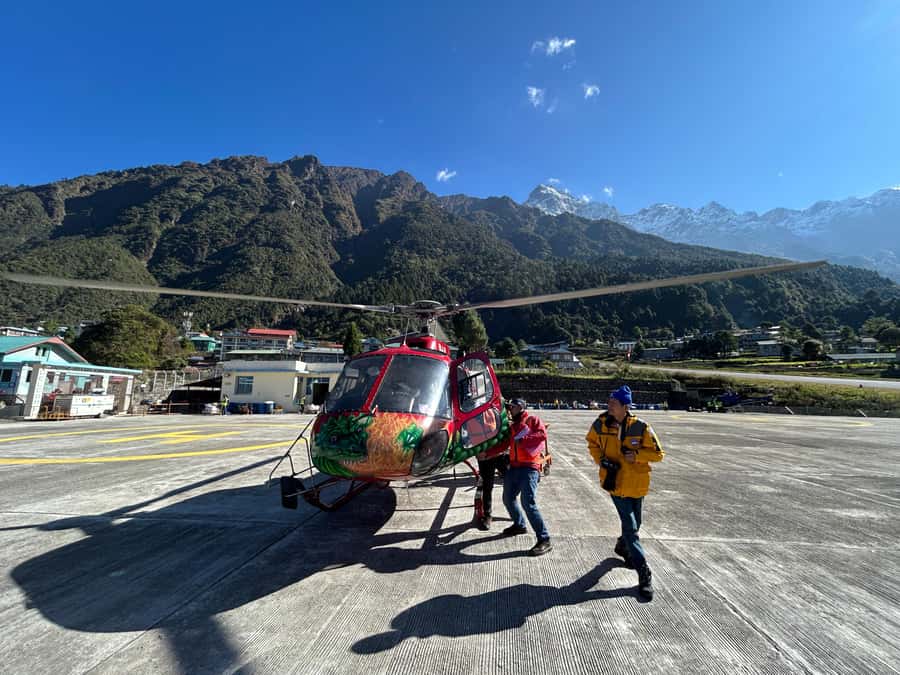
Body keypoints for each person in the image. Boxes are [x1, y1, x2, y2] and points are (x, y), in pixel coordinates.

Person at [586, 385, 665, 600]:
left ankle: (623, 546)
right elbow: (591, 442)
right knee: (631, 528)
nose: (609, 405)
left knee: (635, 524)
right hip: (615, 483)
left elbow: (659, 454)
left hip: (637, 484)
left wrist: (637, 455)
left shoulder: (641, 427)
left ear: (625, 406)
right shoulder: (600, 424)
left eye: (614, 403)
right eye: (609, 402)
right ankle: (644, 573)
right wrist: (600, 459)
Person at [502, 398, 552, 556]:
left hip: (529, 467)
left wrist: (523, 439)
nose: (510, 409)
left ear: (522, 407)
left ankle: (544, 539)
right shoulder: (513, 425)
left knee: (528, 503)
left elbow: (542, 434)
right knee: (508, 498)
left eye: (513, 407)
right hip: (514, 466)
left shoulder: (532, 420)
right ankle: (519, 524)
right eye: (509, 407)